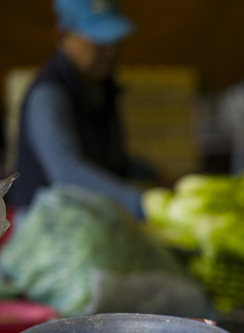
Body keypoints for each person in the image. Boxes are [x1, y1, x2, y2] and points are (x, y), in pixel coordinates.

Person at [7, 0, 150, 220]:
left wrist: (159, 177)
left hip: (89, 220)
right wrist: (144, 204)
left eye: (115, 41)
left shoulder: (100, 87)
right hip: (44, 228)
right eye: (99, 41)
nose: (111, 51)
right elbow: (68, 172)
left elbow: (109, 160)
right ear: (63, 35)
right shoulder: (49, 94)